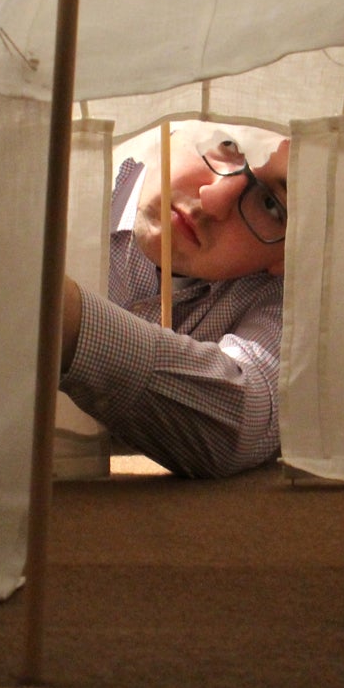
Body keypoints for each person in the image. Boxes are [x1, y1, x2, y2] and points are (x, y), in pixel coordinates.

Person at [58, 126, 289, 479]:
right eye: (228, 145)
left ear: (290, 253)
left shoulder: (284, 294)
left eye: (271, 205)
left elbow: (247, 419)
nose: (213, 200)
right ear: (178, 123)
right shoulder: (66, 174)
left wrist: (67, 322)